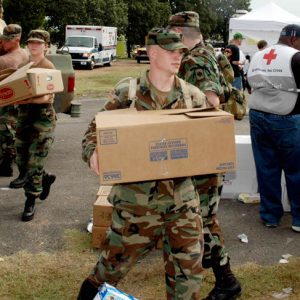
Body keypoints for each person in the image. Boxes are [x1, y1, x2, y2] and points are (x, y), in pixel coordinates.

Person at [78, 28, 207, 300]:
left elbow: (207, 144)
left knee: (189, 275)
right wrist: (93, 153)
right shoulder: (128, 93)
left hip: (182, 204)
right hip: (136, 204)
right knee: (112, 266)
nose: (178, 57)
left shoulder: (193, 96)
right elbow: (94, 131)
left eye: (180, 51)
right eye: (171, 51)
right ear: (153, 53)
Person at [168, 11, 242, 300]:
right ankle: (208, 260)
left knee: (203, 217)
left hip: (202, 150)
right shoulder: (206, 52)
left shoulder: (195, 59)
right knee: (202, 215)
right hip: (204, 148)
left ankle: (227, 281)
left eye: (171, 33)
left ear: (180, 32)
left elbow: (210, 102)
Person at [247, 24, 300, 233]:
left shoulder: (260, 55)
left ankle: (270, 216)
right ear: (295, 39)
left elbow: (250, 84)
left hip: (257, 115)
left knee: (266, 167)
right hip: (286, 118)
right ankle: (298, 219)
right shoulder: (295, 57)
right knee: (296, 171)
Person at [10, 30, 56, 222]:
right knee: (21, 158)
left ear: (46, 46)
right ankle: (44, 177)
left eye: (38, 43)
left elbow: (46, 96)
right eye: (31, 43)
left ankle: (30, 201)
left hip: (42, 118)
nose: (34, 46)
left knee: (34, 161)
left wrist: (22, 96)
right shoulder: (23, 65)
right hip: (24, 115)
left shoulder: (48, 67)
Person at [0, 24, 29, 177]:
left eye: (6, 40)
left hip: (5, 102)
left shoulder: (5, 60)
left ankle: (6, 164)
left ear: (16, 40)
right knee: (13, 132)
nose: (3, 43)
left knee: (4, 132)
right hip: (21, 101)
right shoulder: (26, 54)